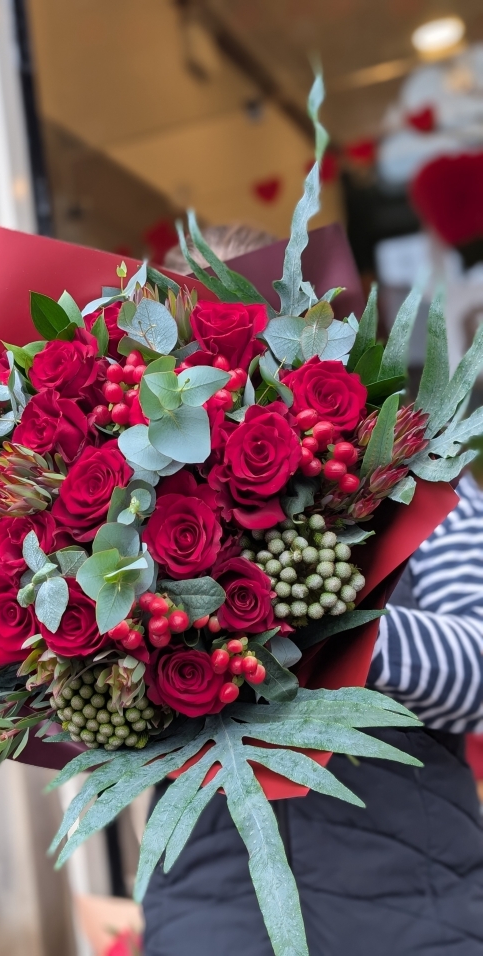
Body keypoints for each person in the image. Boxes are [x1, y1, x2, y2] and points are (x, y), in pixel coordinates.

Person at [142, 233, 483, 956]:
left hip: (413, 902)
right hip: (212, 906)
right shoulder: (132, 522)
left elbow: (478, 672)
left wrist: (328, 625)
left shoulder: (417, 483)